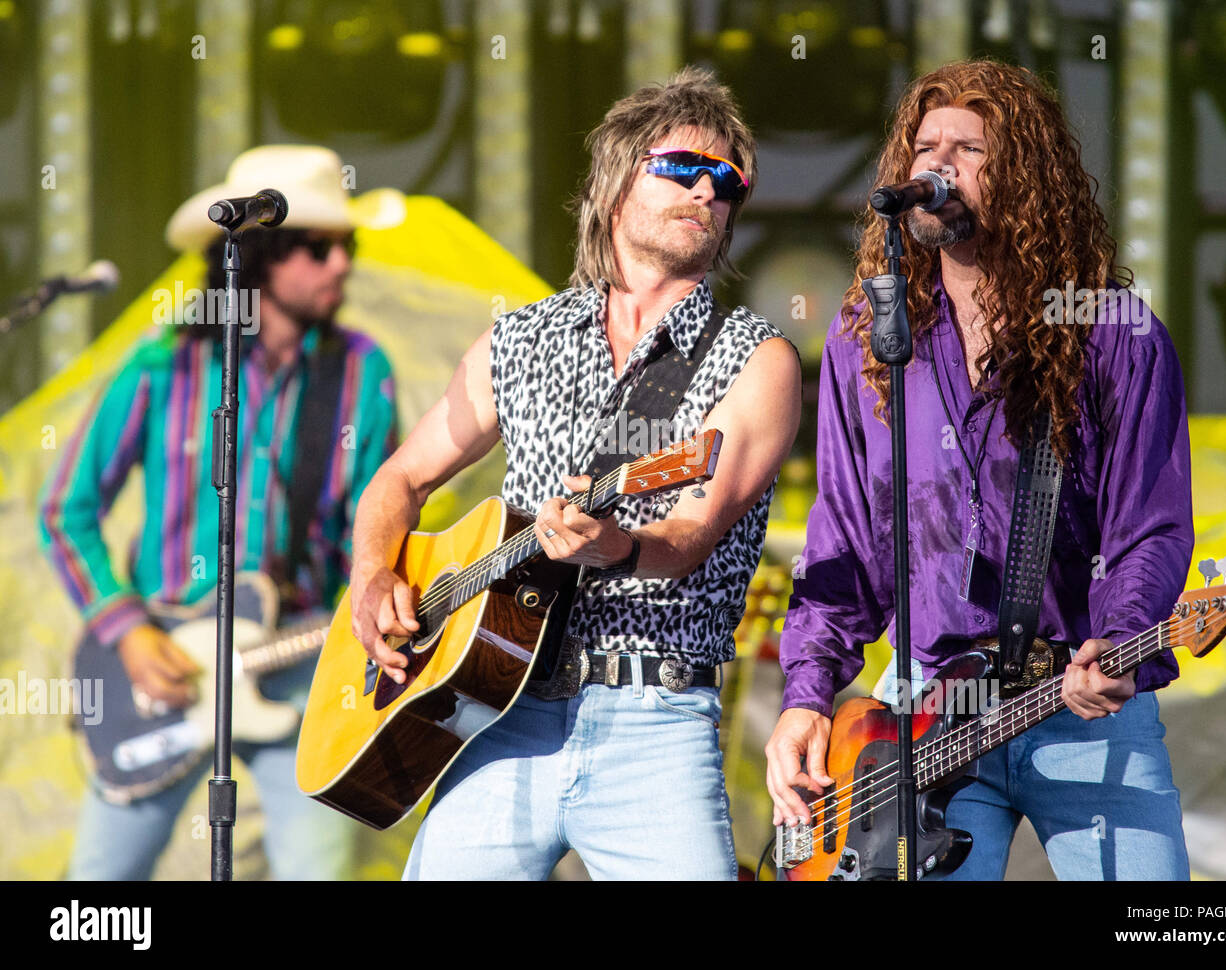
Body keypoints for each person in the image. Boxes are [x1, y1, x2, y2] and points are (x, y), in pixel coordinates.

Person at [349, 66, 801, 880]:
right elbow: (399, 481)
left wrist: (614, 546)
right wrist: (373, 571)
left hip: (655, 718)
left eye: (726, 181)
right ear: (617, 181)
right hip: (503, 714)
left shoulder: (756, 358)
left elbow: (689, 533)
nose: (707, 191)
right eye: (682, 169)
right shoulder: (517, 341)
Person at [765, 60, 1193, 880]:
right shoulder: (869, 340)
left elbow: (1150, 526)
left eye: (969, 149)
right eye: (926, 147)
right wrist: (806, 696)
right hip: (925, 713)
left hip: (1081, 704)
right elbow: (846, 542)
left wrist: (1120, 640)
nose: (937, 166)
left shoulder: (1111, 333)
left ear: (1028, 177)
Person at [39, 145, 397, 879]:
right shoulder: (159, 364)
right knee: (96, 900)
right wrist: (127, 631)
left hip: (299, 664)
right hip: (162, 669)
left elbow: (384, 523)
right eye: (320, 247)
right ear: (260, 256)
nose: (342, 266)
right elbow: (64, 509)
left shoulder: (365, 372)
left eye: (348, 247)